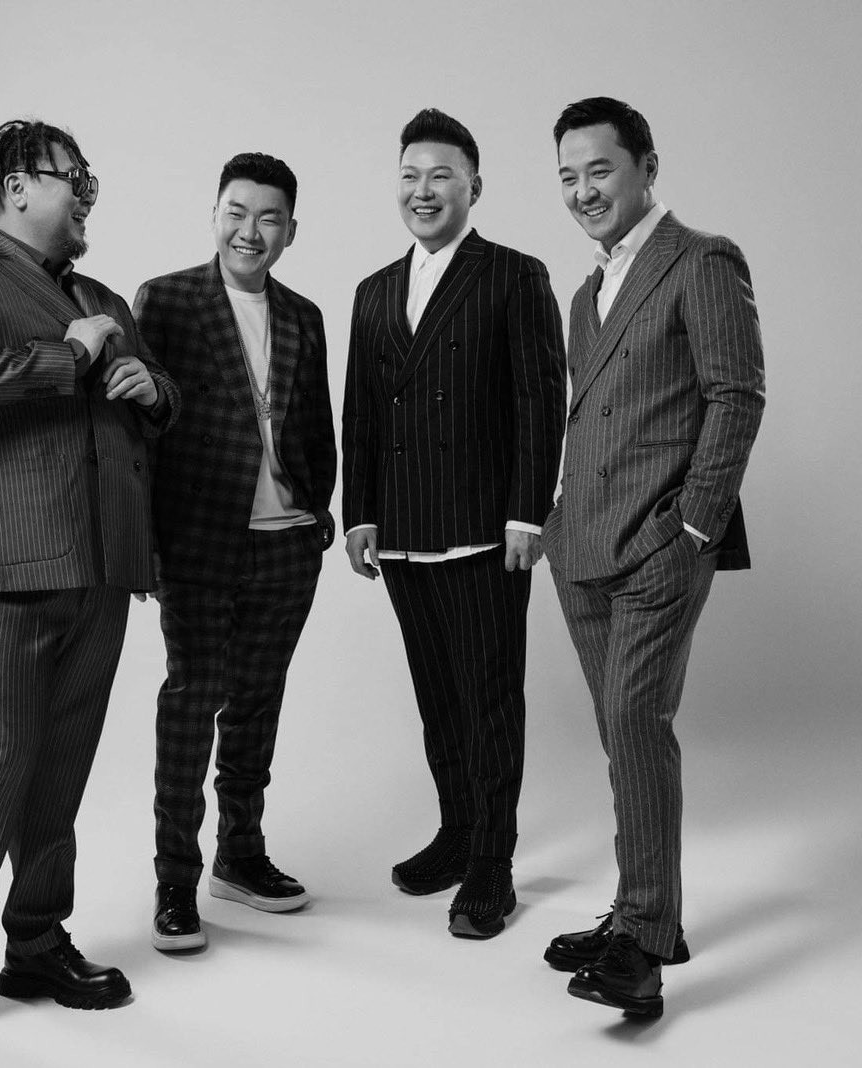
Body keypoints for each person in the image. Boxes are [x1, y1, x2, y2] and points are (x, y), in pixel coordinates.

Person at [0, 119, 178, 1056]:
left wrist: (150, 387)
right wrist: (79, 354)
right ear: (18, 186)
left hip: (104, 568)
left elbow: (156, 399)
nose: (87, 195)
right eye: (74, 178)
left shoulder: (101, 297)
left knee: (61, 769)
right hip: (7, 566)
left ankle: (35, 943)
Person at [541, 97, 765, 1017]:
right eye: (567, 177)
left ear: (647, 167)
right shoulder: (584, 294)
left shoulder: (702, 260)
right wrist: (556, 521)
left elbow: (737, 394)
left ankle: (641, 946)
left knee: (637, 718)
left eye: (599, 170)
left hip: (659, 547)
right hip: (582, 547)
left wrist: (696, 528)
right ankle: (647, 915)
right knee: (619, 732)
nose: (583, 191)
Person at [341, 108, 565, 939]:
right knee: (437, 697)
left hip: (484, 526)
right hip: (402, 527)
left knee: (488, 699)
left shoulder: (514, 274)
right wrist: (358, 514)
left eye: (441, 175)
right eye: (410, 175)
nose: (423, 190)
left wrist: (527, 514)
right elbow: (361, 412)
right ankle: (458, 831)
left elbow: (541, 400)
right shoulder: (373, 290)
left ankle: (493, 864)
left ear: (475, 186)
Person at [132, 153, 336, 952]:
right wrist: (144, 543)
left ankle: (240, 857)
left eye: (269, 218)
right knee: (192, 703)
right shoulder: (167, 300)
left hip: (287, 543)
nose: (251, 231)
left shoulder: (304, 316)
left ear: (291, 230)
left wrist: (316, 517)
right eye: (237, 213)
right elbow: (141, 432)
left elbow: (316, 424)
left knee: (258, 703)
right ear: (215, 215)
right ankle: (174, 883)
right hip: (198, 542)